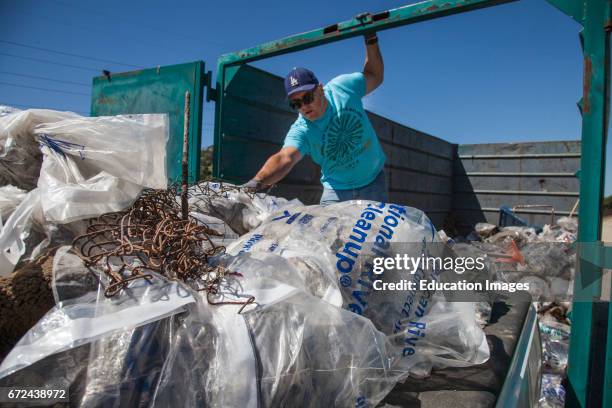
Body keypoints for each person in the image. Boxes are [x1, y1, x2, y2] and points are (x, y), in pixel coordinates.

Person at [243, 32, 387, 204]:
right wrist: (255, 183)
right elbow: (285, 157)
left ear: (320, 89)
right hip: (336, 190)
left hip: (373, 181)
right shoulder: (302, 129)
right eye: (296, 103)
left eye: (307, 98)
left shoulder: (343, 88)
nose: (303, 106)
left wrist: (371, 41)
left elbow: (375, 75)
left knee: (375, 231)